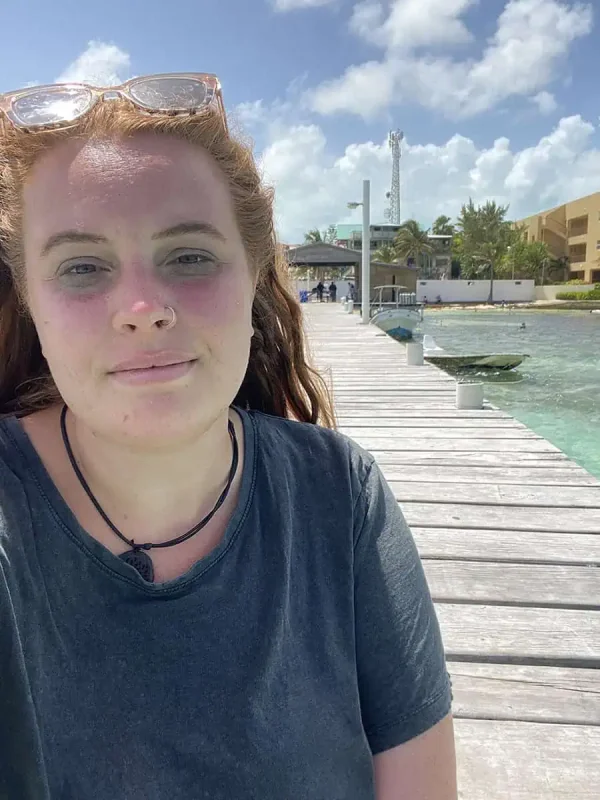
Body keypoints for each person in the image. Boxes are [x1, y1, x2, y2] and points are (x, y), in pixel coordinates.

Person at [0, 73, 455, 800]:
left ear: (252, 279)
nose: (143, 310)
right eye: (82, 267)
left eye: (189, 257)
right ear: (29, 301)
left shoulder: (340, 496)